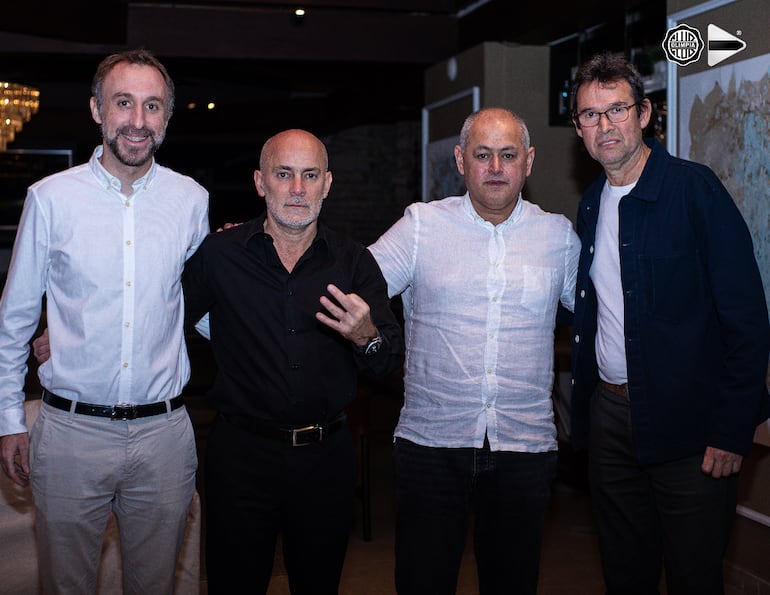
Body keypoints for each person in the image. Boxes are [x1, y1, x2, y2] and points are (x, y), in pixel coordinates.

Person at [0, 50, 209, 594]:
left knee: (156, 586)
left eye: (152, 106)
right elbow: (15, 319)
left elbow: (200, 307)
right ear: (97, 109)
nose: (138, 121)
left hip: (164, 436)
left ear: (166, 118)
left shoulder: (191, 200)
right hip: (70, 434)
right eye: (124, 103)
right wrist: (8, 421)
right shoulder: (49, 199)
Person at [568, 51, 770, 595]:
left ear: (644, 114)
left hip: (692, 428)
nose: (604, 125)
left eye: (616, 110)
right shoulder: (589, 207)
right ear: (578, 128)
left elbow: (747, 321)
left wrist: (732, 429)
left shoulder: (694, 190)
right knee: (624, 572)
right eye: (590, 114)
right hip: (610, 422)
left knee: (693, 576)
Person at [181, 128, 404, 594]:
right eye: (284, 174)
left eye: (310, 175)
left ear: (328, 183)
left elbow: (388, 365)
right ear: (261, 183)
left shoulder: (354, 263)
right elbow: (159, 323)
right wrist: (65, 338)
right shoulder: (221, 256)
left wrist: (367, 338)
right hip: (240, 456)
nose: (297, 189)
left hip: (326, 459)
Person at [368, 107, 580, 595]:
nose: (496, 168)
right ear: (461, 161)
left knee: (512, 582)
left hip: (523, 446)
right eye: (483, 155)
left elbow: (601, 309)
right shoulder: (421, 226)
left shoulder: (558, 236)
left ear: (528, 161)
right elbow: (356, 283)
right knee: (424, 581)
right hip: (431, 442)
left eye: (508, 155)